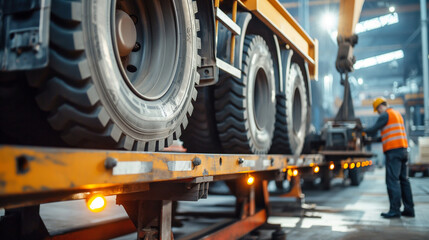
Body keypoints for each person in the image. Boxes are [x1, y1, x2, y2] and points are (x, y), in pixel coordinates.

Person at [363, 97, 414, 218]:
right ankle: (409, 209)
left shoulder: (385, 115)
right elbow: (388, 134)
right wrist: (374, 140)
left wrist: (361, 130)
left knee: (392, 181)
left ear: (380, 107)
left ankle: (395, 210)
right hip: (403, 150)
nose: (378, 112)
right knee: (404, 180)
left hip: (393, 152)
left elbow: (373, 129)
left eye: (378, 110)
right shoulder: (397, 114)